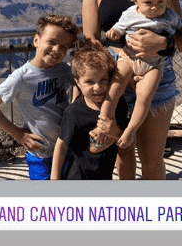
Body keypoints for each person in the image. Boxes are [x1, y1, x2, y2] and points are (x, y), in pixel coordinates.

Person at [82, 0, 182, 179]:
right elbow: (91, 44)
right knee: (123, 157)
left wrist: (164, 43)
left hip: (156, 78)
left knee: (152, 158)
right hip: (116, 79)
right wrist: (120, 66)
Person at [91, 0, 182, 153]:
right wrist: (114, 32)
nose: (154, 7)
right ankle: (104, 121)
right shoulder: (130, 14)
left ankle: (130, 130)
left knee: (144, 98)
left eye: (160, 2)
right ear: (136, 1)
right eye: (148, 2)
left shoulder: (169, 15)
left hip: (154, 65)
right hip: (128, 57)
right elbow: (119, 28)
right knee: (114, 89)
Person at [0, 14, 78, 180]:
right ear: (36, 40)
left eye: (64, 47)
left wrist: (75, 105)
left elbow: (80, 83)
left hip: (67, 147)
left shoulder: (64, 69)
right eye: (51, 42)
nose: (56, 50)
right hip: (41, 153)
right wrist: (18, 134)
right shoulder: (22, 77)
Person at [51, 40, 129, 180]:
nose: (98, 88)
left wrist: (115, 131)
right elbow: (61, 146)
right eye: (89, 82)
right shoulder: (74, 112)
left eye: (104, 80)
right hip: (77, 177)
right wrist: (54, 179)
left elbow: (126, 138)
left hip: (104, 175)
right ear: (77, 82)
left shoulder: (119, 106)